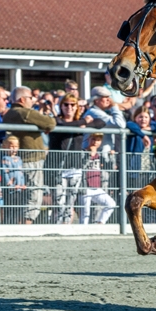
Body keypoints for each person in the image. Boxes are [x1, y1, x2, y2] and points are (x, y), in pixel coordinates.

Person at [3, 86, 56, 224]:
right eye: (31, 98)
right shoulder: (24, 112)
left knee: (21, 197)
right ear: (22, 99)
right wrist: (46, 116)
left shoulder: (10, 113)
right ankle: (25, 227)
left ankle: (18, 225)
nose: (33, 100)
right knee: (33, 196)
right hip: (31, 160)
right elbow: (50, 123)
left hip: (18, 160)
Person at [50, 95, 106, 224]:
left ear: (77, 107)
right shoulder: (56, 120)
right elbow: (62, 125)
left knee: (70, 203)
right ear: (61, 106)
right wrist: (83, 122)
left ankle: (67, 227)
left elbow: (100, 123)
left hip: (75, 167)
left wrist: (84, 123)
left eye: (72, 105)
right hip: (58, 168)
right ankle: (57, 226)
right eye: (66, 104)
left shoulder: (80, 121)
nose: (69, 107)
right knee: (59, 202)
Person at [80, 133, 117, 225]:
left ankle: (100, 223)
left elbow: (110, 168)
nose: (95, 142)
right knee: (85, 212)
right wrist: (90, 155)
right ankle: (82, 229)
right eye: (93, 139)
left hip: (97, 187)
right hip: (85, 187)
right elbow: (81, 166)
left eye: (98, 140)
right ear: (88, 139)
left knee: (111, 204)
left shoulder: (100, 154)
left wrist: (111, 157)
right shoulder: (82, 152)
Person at [83, 86, 126, 152]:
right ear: (96, 100)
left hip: (102, 154)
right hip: (94, 155)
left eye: (109, 97)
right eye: (105, 97)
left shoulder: (100, 112)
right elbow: (120, 124)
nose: (109, 100)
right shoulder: (94, 112)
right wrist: (114, 107)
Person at [0, 135, 27, 224]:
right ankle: (7, 224)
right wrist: (9, 184)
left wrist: (22, 184)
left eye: (16, 146)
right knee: (9, 208)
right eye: (11, 146)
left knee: (17, 208)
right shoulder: (5, 159)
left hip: (18, 188)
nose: (14, 149)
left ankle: (15, 225)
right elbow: (4, 172)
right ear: (6, 147)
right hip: (10, 189)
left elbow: (21, 173)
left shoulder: (19, 159)